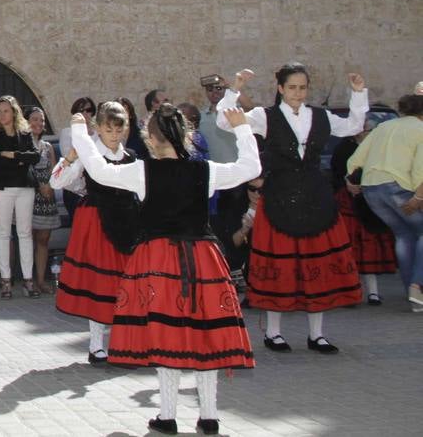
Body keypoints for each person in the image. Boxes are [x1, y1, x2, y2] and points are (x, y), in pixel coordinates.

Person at [73, 103, 258, 435]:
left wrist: (79, 131)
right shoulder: (205, 170)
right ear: (185, 134)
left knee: (165, 333)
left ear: (151, 137)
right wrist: (242, 128)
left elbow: (99, 171)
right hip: (202, 258)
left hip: (159, 261)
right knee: (206, 335)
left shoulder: (143, 171)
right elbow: (250, 166)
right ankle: (210, 416)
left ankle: (169, 415)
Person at [215, 64, 368, 352]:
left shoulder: (319, 116)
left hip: (316, 198)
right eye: (293, 87)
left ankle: (317, 334)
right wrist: (234, 89)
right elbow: (226, 121)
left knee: (316, 265)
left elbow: (354, 126)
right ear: (281, 89)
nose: (298, 93)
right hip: (279, 198)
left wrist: (358, 94)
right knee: (280, 264)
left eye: (303, 87)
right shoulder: (264, 116)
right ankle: (273, 333)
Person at [51, 101, 140, 363]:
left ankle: (126, 342)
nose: (113, 134)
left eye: (118, 129)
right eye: (108, 128)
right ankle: (96, 343)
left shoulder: (131, 156)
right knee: (99, 281)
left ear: (125, 129)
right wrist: (70, 157)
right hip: (96, 221)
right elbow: (56, 181)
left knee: (126, 281)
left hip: (127, 220)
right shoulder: (88, 154)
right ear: (97, 128)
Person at [346, 92, 423, 311]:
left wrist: (350, 180)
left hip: (372, 190)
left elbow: (355, 160)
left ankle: (413, 295)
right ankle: (418, 285)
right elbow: (421, 168)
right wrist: (419, 197)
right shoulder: (421, 130)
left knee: (404, 235)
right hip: (398, 186)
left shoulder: (382, 128)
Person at [331, 111, 397, 304]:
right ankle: (351, 291)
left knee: (369, 246)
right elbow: (336, 172)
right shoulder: (344, 148)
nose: (368, 133)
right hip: (348, 203)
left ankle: (373, 292)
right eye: (366, 130)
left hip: (370, 202)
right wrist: (347, 185)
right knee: (350, 247)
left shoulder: (378, 149)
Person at [0, 96, 39, 298]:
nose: (3, 114)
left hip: (25, 186)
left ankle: (28, 280)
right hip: (1, 187)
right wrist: (20, 158)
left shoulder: (25, 133)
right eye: (0, 111)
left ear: (14, 112)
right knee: (3, 232)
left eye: (6, 110)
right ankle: (6, 280)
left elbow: (35, 156)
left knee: (24, 233)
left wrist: (12, 155)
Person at [26, 107, 60, 293]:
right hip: (31, 196)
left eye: (41, 120)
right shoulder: (23, 144)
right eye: (34, 119)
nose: (38, 123)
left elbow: (55, 171)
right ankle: (28, 280)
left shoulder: (48, 147)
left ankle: (41, 280)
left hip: (47, 198)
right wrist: (39, 185)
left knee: (43, 240)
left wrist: (50, 187)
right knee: (28, 239)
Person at [58, 97, 97, 223]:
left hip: (94, 188)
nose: (85, 113)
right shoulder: (67, 133)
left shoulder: (99, 133)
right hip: (74, 188)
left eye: (89, 110)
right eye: (81, 110)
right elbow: (68, 156)